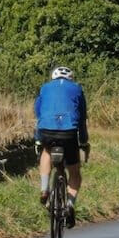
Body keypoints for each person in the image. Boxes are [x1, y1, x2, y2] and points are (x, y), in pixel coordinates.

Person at [34, 64, 88, 223]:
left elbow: (39, 113)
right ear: (70, 78)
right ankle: (70, 204)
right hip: (69, 132)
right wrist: (84, 141)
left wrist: (38, 137)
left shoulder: (44, 88)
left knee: (46, 151)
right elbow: (82, 118)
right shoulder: (77, 89)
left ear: (53, 77)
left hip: (47, 130)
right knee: (75, 172)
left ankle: (44, 189)